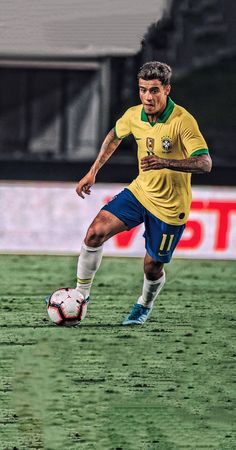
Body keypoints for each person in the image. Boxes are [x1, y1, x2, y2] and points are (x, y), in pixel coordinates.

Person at [75, 61, 212, 325]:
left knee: (152, 266)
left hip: (171, 207)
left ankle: (144, 305)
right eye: (143, 90)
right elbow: (114, 136)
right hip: (140, 192)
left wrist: (165, 161)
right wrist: (93, 171)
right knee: (94, 233)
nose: (148, 97)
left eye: (154, 90)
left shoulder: (182, 121)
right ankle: (81, 296)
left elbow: (205, 163)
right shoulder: (133, 115)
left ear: (166, 90)